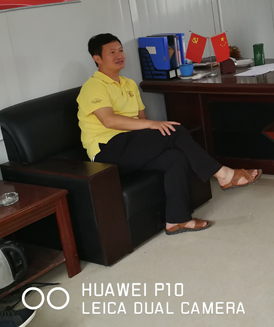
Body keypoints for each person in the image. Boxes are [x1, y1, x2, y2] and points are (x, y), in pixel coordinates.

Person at [77, 33, 261, 235]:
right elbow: (109, 121)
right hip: (107, 151)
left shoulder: (128, 84)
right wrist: (154, 125)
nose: (119, 55)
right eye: (112, 52)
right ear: (97, 58)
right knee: (175, 131)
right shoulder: (93, 86)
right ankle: (223, 174)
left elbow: (141, 119)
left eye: (120, 50)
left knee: (175, 157)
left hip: (130, 145)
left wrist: (152, 129)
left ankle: (177, 220)